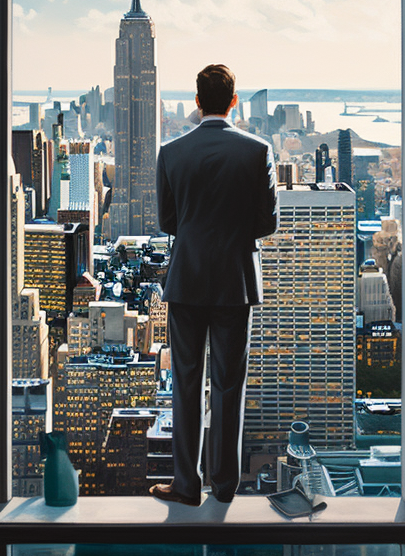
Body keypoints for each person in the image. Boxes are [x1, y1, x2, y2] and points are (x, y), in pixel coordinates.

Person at [149, 63, 278, 505]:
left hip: (186, 281)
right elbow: (268, 223)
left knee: (186, 382)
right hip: (235, 284)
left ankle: (186, 486)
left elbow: (169, 222)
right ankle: (224, 486)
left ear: (197, 102)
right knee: (229, 385)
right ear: (234, 101)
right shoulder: (258, 150)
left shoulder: (171, 152)